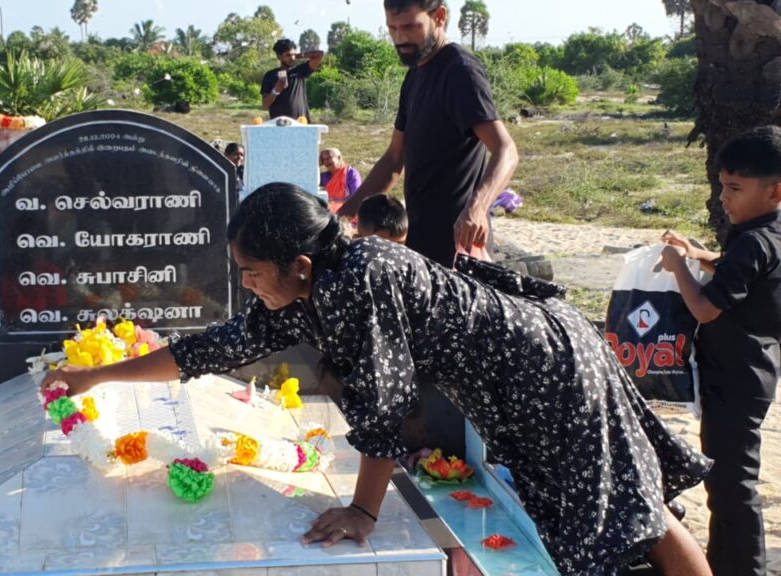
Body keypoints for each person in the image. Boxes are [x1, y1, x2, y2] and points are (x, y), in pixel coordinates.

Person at [45, 183, 712, 576]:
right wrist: (99, 378)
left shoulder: (360, 280)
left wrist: (364, 511)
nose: (246, 285)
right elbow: (215, 347)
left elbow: (384, 409)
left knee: (622, 512)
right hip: (526, 371)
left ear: (298, 265)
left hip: (549, 369)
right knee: (618, 505)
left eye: (251, 273)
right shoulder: (308, 288)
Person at [660, 126, 781, 576]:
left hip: (736, 378)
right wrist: (698, 254)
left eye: (735, 188)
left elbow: (705, 309)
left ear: (775, 191)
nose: (724, 198)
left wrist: (679, 269)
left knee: (733, 486)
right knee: (727, 480)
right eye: (722, 186)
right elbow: (739, 273)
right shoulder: (767, 233)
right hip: (753, 372)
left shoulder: (752, 241)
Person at [337, 0, 518, 269]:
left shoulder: (460, 72)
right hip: (420, 243)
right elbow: (393, 161)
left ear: (439, 16)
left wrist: (478, 207)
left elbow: (506, 150)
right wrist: (342, 216)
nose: (400, 38)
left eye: (410, 27)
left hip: (459, 249)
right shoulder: (414, 75)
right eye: (393, 29)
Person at [261, 39, 324, 121]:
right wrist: (276, 90)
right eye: (288, 55)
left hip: (300, 122)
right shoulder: (269, 76)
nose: (292, 58)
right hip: (279, 124)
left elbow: (320, 54)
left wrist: (299, 55)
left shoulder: (300, 71)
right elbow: (265, 105)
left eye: (294, 54)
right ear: (278, 56)